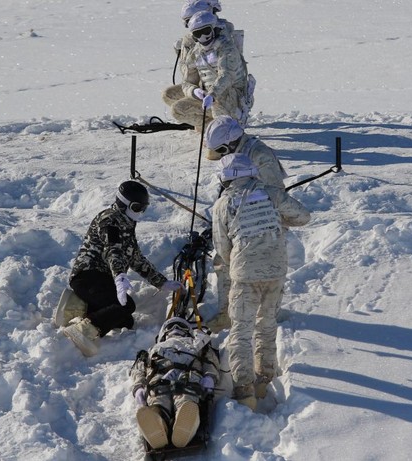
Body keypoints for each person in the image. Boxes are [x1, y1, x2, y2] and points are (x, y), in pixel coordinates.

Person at [211, 154, 310, 410]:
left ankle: (244, 388)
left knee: (241, 330)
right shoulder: (271, 194)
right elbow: (303, 216)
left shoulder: (223, 204)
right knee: (266, 324)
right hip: (276, 270)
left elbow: (222, 246)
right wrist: (277, 220)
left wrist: (235, 261)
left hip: (245, 273)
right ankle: (264, 378)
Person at [61, 180, 183, 356]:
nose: (140, 213)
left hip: (102, 280)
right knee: (127, 305)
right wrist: (119, 277)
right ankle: (83, 330)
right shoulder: (109, 221)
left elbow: (136, 258)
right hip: (88, 275)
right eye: (137, 207)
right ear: (124, 204)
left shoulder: (126, 224)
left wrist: (162, 283)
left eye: (144, 208)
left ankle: (75, 306)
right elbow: (114, 250)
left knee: (125, 321)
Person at [203, 115, 288, 330]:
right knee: (223, 262)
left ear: (231, 142)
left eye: (222, 150)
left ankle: (257, 316)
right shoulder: (238, 152)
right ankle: (229, 313)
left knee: (242, 267)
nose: (221, 155)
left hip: (262, 227)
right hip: (239, 221)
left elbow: (276, 197)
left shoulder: (261, 157)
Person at [130, 317, 221, 449]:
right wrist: (138, 388)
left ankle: (185, 422)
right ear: (163, 334)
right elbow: (138, 370)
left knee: (186, 396)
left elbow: (211, 362)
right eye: (170, 327)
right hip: (159, 378)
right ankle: (158, 421)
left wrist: (210, 377)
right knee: (158, 400)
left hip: (188, 376)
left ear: (188, 332)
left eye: (181, 327)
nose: (175, 330)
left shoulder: (199, 344)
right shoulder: (152, 350)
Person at [164, 11, 254, 131]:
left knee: (220, 97)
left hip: (231, 97)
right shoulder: (196, 53)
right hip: (209, 95)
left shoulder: (227, 48)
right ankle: (211, 127)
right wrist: (195, 91)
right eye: (197, 34)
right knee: (177, 109)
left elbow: (226, 76)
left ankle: (231, 126)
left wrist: (212, 95)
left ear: (214, 29)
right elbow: (187, 82)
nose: (203, 37)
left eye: (205, 32)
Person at [164, 1, 236, 111]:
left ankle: (210, 118)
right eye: (188, 22)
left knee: (177, 108)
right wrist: (183, 49)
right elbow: (189, 70)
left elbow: (226, 73)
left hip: (219, 91)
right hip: (200, 88)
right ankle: (199, 115)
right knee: (168, 94)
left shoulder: (221, 35)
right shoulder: (194, 37)